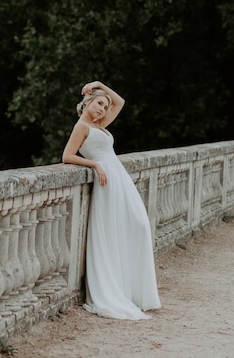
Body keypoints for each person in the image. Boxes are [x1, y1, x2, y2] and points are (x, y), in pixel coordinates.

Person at [62, 80, 161, 320]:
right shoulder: (82, 126)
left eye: (105, 107)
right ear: (87, 102)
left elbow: (121, 102)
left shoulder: (101, 124)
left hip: (119, 179)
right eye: (99, 104)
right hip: (106, 181)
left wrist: (99, 85)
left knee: (139, 224)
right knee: (115, 231)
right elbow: (67, 156)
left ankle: (135, 292)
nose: (103, 109)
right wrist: (94, 164)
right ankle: (114, 292)